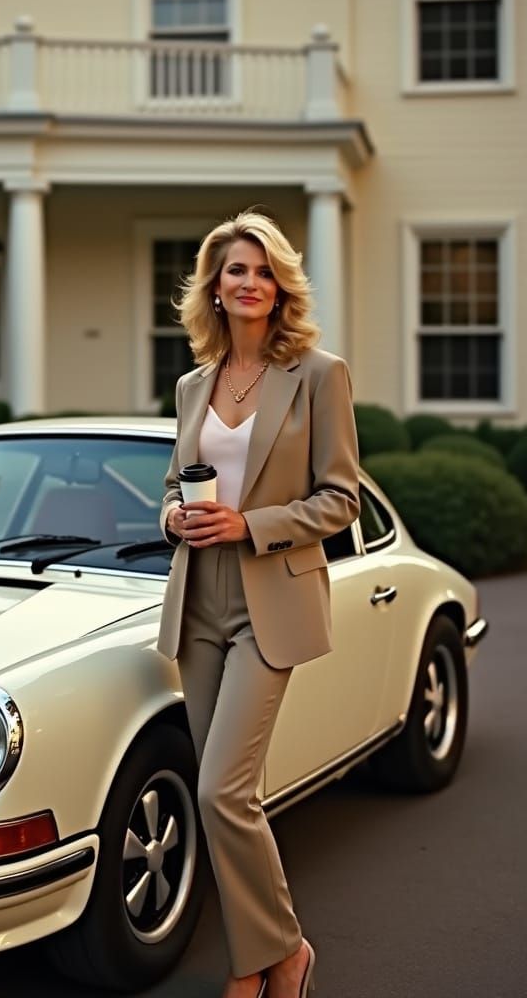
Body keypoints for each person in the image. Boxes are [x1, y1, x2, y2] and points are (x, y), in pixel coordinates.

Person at [157, 210, 361, 998]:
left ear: (281, 288)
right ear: (214, 285)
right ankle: (278, 957)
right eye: (235, 270)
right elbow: (173, 489)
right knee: (226, 801)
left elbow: (339, 499)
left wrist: (252, 524)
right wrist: (173, 516)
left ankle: (260, 963)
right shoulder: (191, 385)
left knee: (220, 791)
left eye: (263, 271)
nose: (248, 283)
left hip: (266, 600)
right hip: (197, 602)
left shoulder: (317, 374)